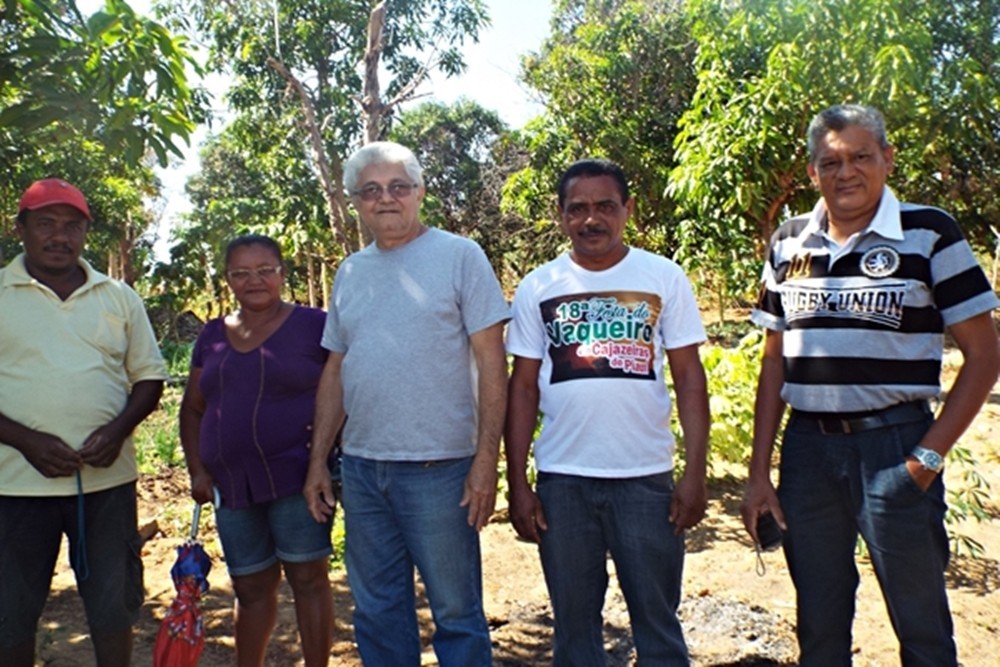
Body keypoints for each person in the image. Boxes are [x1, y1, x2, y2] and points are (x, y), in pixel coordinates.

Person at [740, 104, 1000, 666]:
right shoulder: (788, 242)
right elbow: (772, 365)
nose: (846, 172)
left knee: (921, 626)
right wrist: (760, 472)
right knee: (820, 623)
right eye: (829, 161)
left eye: (860, 156)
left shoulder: (929, 233)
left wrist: (925, 460)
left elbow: (984, 356)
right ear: (812, 172)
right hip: (807, 452)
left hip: (896, 446)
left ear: (887, 158)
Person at [303, 141, 509, 666]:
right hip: (365, 470)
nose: (386, 199)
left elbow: (492, 361)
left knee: (457, 615)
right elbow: (336, 370)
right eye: (371, 191)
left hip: (440, 469)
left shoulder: (460, 255)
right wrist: (318, 463)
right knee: (377, 611)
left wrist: (487, 462)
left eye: (398, 187)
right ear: (355, 202)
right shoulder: (350, 271)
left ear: (419, 193)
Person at [505, 158, 711, 666]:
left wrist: (695, 474)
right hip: (563, 483)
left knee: (658, 625)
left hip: (645, 480)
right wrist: (518, 482)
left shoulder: (663, 277)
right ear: (560, 215)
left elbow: (689, 376)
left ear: (628, 210)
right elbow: (524, 387)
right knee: (574, 632)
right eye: (577, 209)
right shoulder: (539, 286)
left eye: (605, 207)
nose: (591, 219)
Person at [0, 178, 167, 666]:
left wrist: (117, 432)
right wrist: (25, 439)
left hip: (106, 485)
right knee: (10, 610)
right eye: (46, 224)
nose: (60, 236)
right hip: (14, 488)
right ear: (21, 230)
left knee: (114, 605)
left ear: (86, 233)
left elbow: (149, 378)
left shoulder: (118, 297)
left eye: (72, 226)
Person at [179, 234, 334, 667]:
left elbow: (342, 393)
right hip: (231, 486)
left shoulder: (314, 325)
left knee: (307, 578)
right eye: (241, 273)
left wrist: (325, 463)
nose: (255, 280)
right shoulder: (211, 335)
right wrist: (197, 471)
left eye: (265, 269)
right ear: (227, 279)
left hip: (298, 478)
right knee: (249, 587)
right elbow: (192, 409)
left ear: (283, 273)